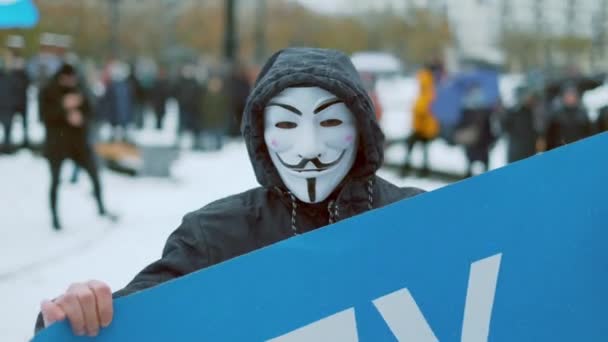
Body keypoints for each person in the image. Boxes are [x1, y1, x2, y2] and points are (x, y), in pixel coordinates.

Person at [34, 48, 425, 336]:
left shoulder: (421, 219)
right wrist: (74, 317)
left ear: (360, 127)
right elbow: (138, 321)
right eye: (286, 125)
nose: (309, 148)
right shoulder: (215, 236)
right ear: (261, 133)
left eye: (331, 121)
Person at [39, 63, 109, 230]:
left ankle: (101, 207)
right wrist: (64, 108)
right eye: (68, 79)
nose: (71, 82)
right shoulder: (49, 90)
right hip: (57, 144)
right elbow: (44, 116)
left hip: (78, 143)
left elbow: (91, 112)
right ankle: (55, 216)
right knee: (55, 180)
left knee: (94, 173)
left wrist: (81, 118)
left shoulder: (79, 89)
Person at [401, 64, 440, 177]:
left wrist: (419, 127)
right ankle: (423, 171)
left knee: (411, 148)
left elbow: (422, 111)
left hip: (421, 128)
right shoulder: (430, 90)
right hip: (425, 127)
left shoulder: (426, 91)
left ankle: (407, 170)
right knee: (422, 150)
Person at [501, 87, 540, 163]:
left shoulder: (530, 111)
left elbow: (535, 130)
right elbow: (504, 129)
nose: (529, 98)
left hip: (530, 151)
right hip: (516, 153)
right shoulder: (511, 113)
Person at [545, 86, 592, 151]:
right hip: (561, 150)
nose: (570, 98)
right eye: (568, 96)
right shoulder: (557, 116)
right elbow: (551, 138)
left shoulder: (583, 114)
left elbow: (589, 134)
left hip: (580, 149)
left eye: (572, 96)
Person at [0, 55, 15, 153]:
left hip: (6, 107)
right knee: (7, 130)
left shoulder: (8, 78)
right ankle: (7, 147)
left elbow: (12, 93)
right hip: (6, 107)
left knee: (7, 130)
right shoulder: (8, 78)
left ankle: (7, 148)